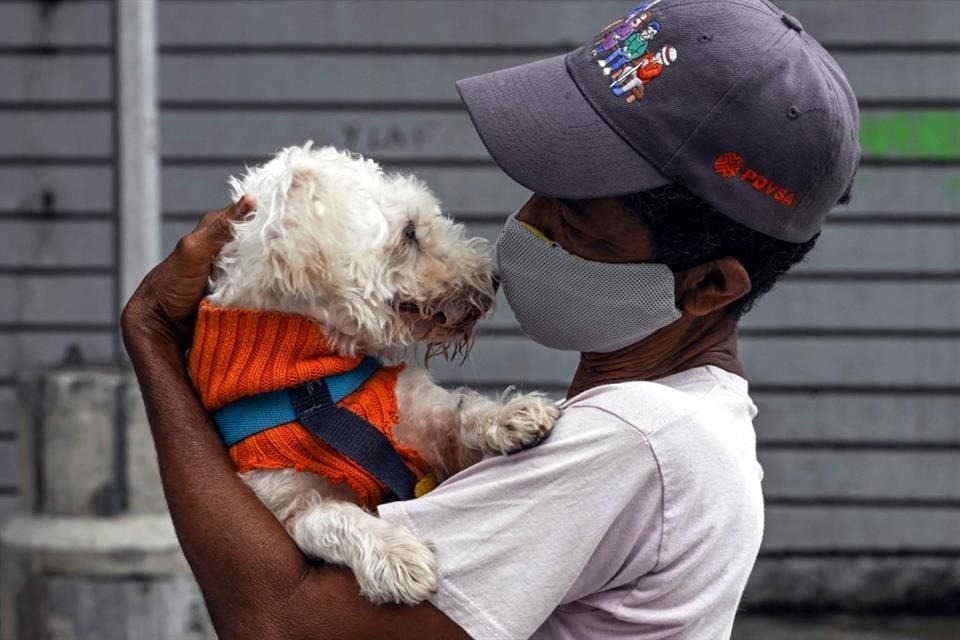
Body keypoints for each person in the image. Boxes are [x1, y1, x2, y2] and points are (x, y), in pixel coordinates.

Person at [121, 0, 859, 638]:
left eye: (574, 216)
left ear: (707, 287)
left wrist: (154, 332)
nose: (521, 232)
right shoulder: (690, 420)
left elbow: (277, 625)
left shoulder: (631, 446)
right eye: (538, 189)